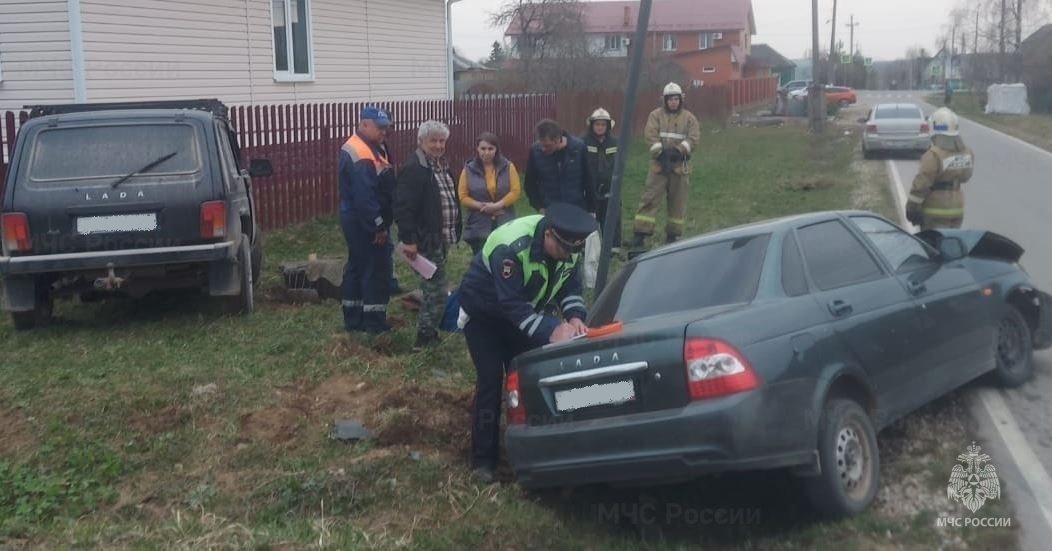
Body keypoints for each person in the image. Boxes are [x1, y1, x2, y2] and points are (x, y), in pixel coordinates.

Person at [457, 202, 598, 482]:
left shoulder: (568, 248)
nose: (569, 256)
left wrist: (573, 317)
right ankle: (483, 461)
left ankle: (536, 450)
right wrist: (551, 330)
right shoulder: (511, 247)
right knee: (490, 380)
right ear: (548, 235)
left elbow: (570, 286)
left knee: (531, 377)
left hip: (525, 315)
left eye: (574, 250)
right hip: (484, 316)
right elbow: (512, 306)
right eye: (565, 249)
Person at [394, 120, 463, 348]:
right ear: (421, 141)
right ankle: (424, 338)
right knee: (436, 292)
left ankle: (430, 332)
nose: (438, 145)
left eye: (442, 140)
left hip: (440, 238)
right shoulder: (415, 167)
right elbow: (403, 207)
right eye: (433, 140)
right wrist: (409, 240)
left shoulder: (439, 165)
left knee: (434, 288)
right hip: (424, 241)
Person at [339, 106, 396, 334]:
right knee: (376, 268)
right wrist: (378, 226)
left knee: (356, 265)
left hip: (354, 217)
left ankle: (353, 318)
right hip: (364, 220)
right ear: (364, 124)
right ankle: (374, 322)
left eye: (387, 128)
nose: (384, 132)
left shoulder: (366, 146)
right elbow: (366, 196)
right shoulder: (362, 153)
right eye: (380, 128)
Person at [629, 82, 701, 251]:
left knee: (678, 202)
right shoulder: (655, 115)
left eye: (676, 99)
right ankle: (640, 235)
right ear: (665, 100)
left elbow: (694, 138)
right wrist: (661, 155)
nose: (673, 102)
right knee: (649, 199)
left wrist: (677, 152)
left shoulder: (689, 118)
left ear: (681, 100)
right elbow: (650, 136)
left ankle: (673, 235)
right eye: (670, 99)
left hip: (679, 167)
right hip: (658, 166)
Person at [907, 107, 974, 230]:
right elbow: (966, 177)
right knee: (951, 245)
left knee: (932, 246)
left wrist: (912, 207)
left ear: (935, 128)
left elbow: (922, 182)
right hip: (957, 209)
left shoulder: (933, 154)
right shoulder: (967, 152)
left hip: (935, 211)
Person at [458, 132, 521, 255]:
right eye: (483, 148)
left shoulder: (508, 166)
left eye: (490, 149)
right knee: (481, 258)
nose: (486, 152)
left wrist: (498, 205)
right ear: (477, 148)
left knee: (503, 257)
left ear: (496, 149)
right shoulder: (468, 169)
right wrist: (484, 207)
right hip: (478, 224)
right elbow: (463, 196)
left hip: (504, 220)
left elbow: (515, 191)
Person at [523, 119, 596, 215]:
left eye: (547, 146)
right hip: (550, 210)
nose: (542, 149)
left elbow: (588, 180)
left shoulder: (579, 148)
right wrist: (539, 207)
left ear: (558, 139)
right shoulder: (535, 151)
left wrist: (591, 210)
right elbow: (529, 183)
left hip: (576, 209)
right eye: (541, 144)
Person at [582, 108, 621, 249]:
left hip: (610, 186)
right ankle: (587, 248)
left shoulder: (614, 142)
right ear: (592, 126)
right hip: (589, 187)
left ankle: (613, 249)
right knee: (589, 219)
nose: (600, 127)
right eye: (597, 124)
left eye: (603, 125)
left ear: (608, 126)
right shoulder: (583, 142)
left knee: (612, 218)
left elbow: (620, 163)